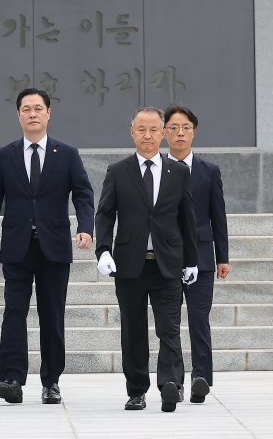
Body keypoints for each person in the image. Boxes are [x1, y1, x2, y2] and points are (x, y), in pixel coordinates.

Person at [0, 88, 94, 405]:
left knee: (51, 315)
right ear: (18, 115)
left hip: (54, 247)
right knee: (14, 312)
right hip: (16, 247)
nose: (32, 113)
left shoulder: (66, 154)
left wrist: (86, 227)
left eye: (38, 108)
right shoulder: (5, 155)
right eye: (26, 109)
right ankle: (12, 378)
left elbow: (83, 194)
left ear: (48, 113)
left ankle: (51, 381)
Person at [95, 106, 198, 413]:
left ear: (163, 133)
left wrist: (191, 260)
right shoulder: (118, 170)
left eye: (154, 129)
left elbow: (187, 219)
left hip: (167, 264)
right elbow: (104, 213)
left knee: (169, 327)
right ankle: (137, 390)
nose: (148, 135)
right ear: (132, 133)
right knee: (133, 330)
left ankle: (170, 384)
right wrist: (103, 250)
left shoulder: (178, 172)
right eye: (142, 129)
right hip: (130, 265)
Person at [163, 105, 230, 403]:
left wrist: (222, 257)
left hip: (202, 257)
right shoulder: (155, 168)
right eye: (174, 127)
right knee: (170, 321)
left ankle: (200, 377)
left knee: (199, 319)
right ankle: (172, 382)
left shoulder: (208, 171)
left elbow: (219, 216)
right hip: (165, 258)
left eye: (185, 127)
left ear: (194, 132)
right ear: (165, 131)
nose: (180, 132)